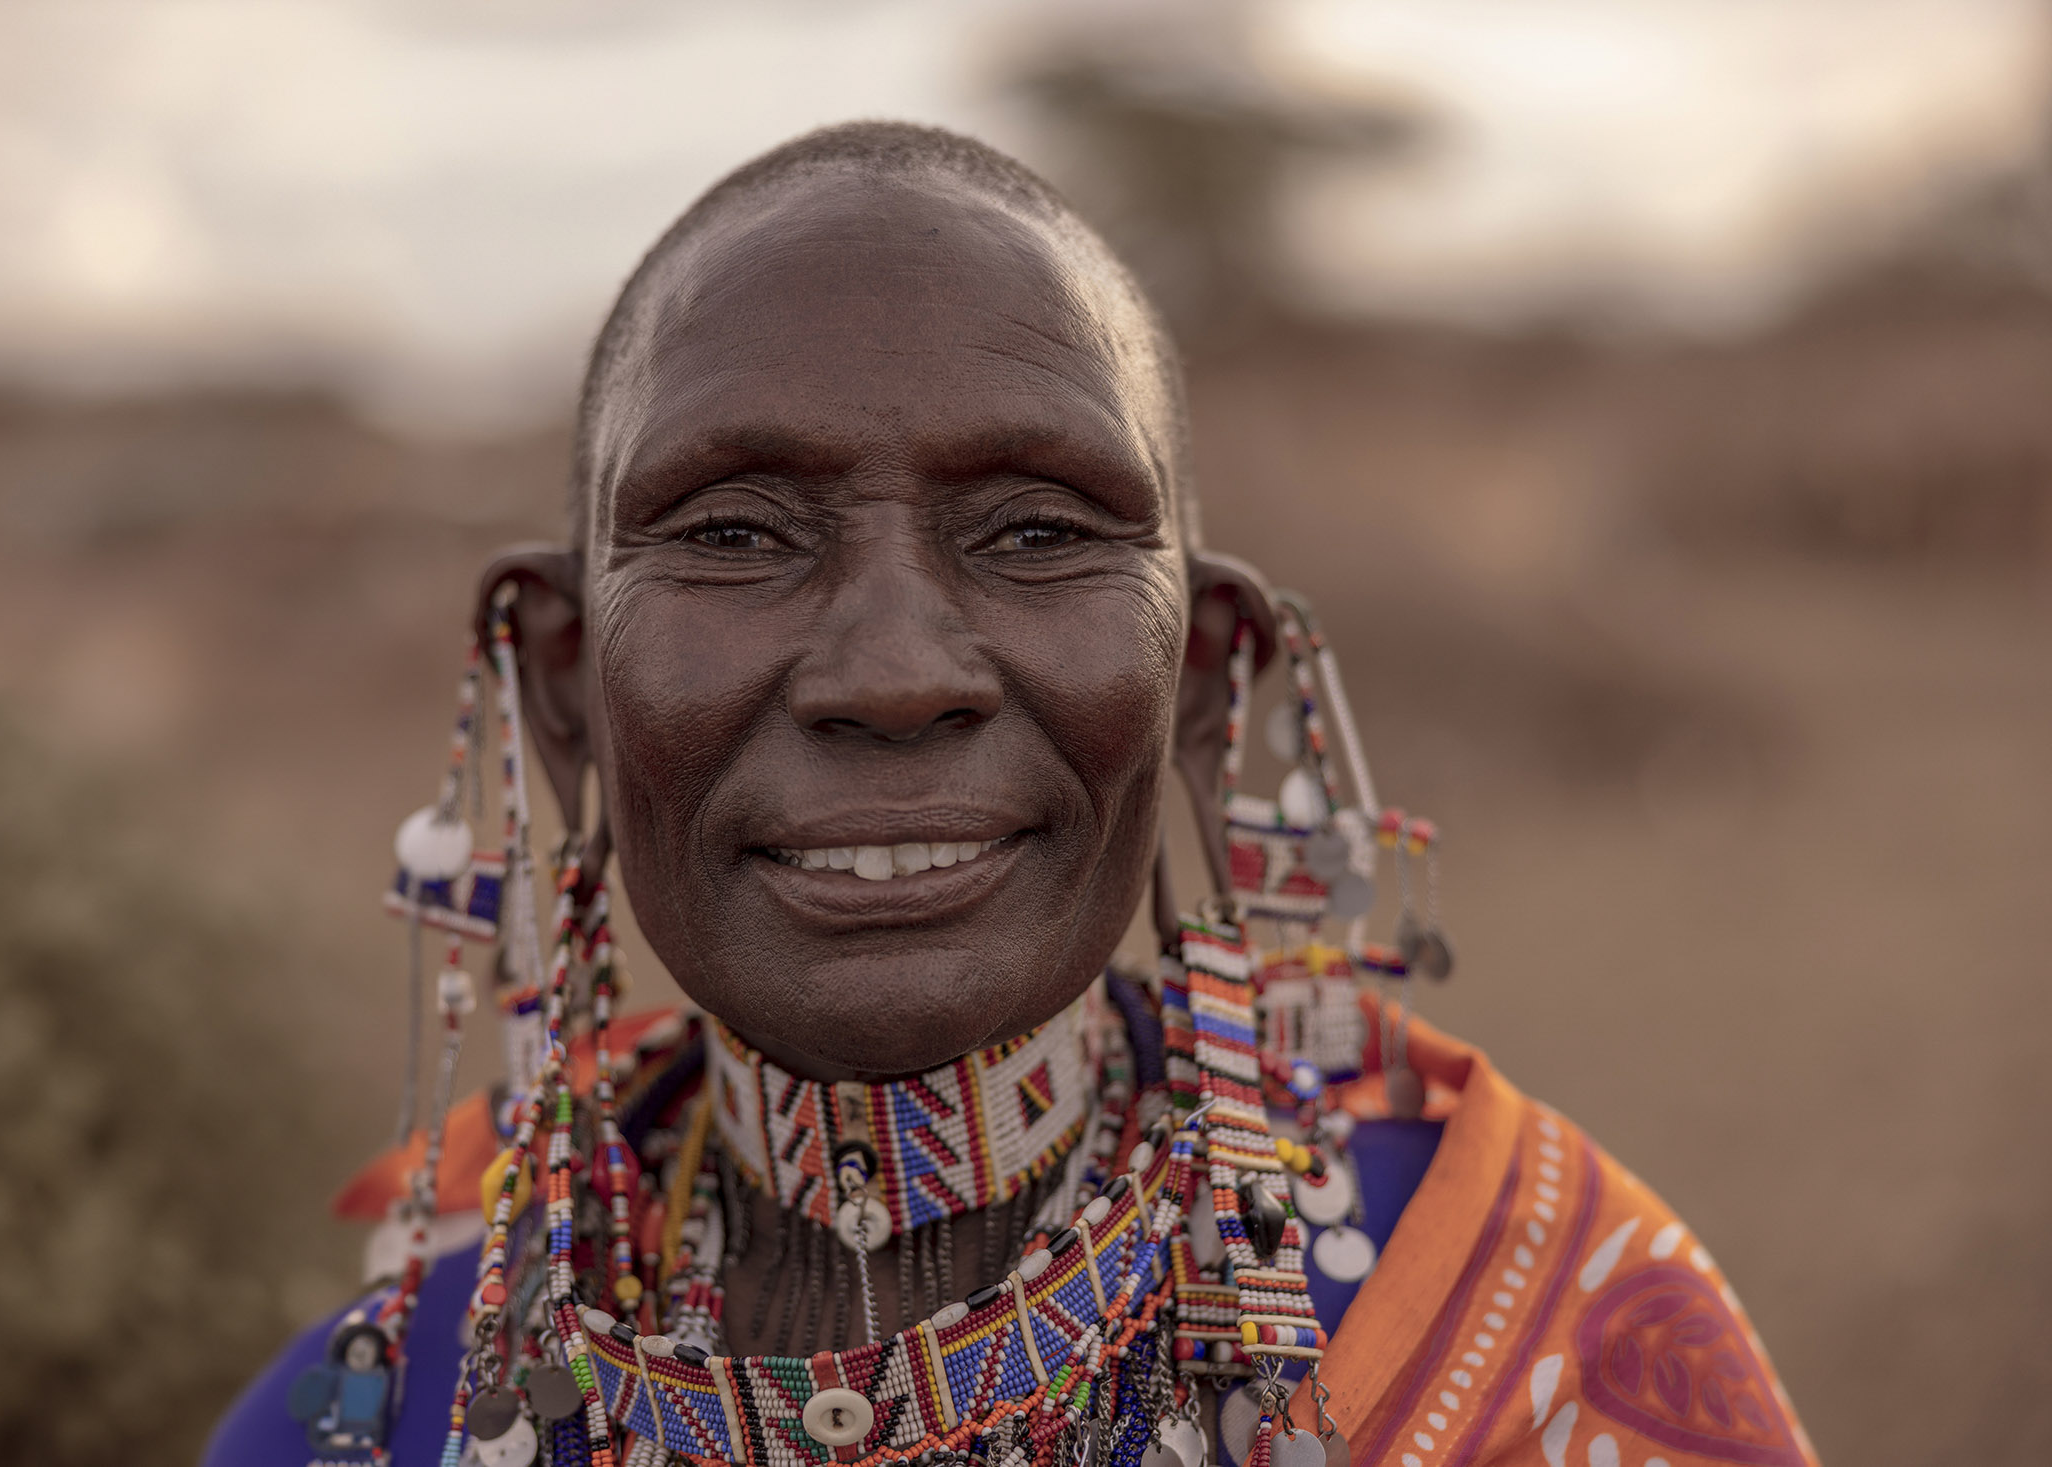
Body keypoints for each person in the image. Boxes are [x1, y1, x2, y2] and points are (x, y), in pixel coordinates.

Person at [206, 122, 1818, 1467]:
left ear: (1201, 678)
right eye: (735, 532)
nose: (896, 672)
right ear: (565, 687)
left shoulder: (1550, 1347)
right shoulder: (364, 1421)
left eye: (1042, 531)